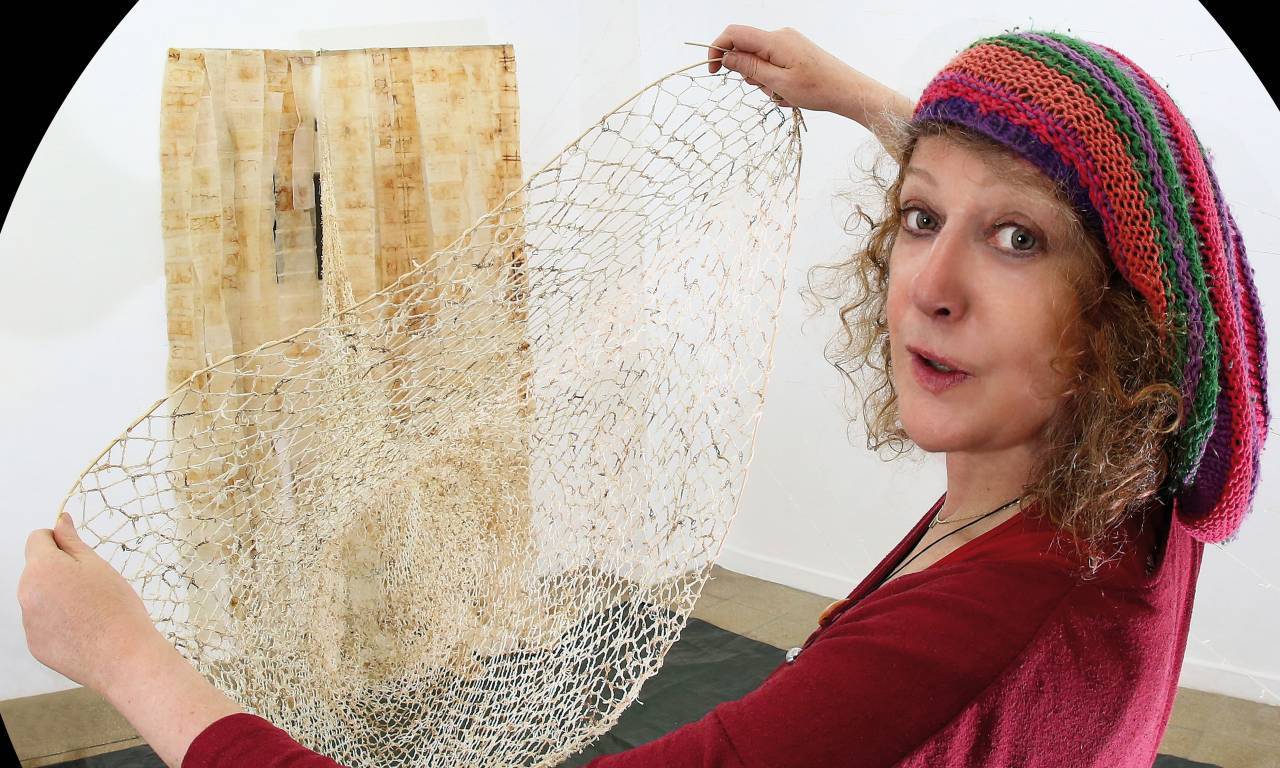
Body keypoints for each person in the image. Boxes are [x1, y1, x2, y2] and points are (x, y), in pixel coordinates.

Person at [18, 23, 1268, 768]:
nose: (925, 289)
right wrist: (869, 103)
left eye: (1016, 243)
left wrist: (127, 659)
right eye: (916, 217)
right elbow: (1071, 219)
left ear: (1125, 311)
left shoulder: (948, 652)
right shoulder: (1147, 478)